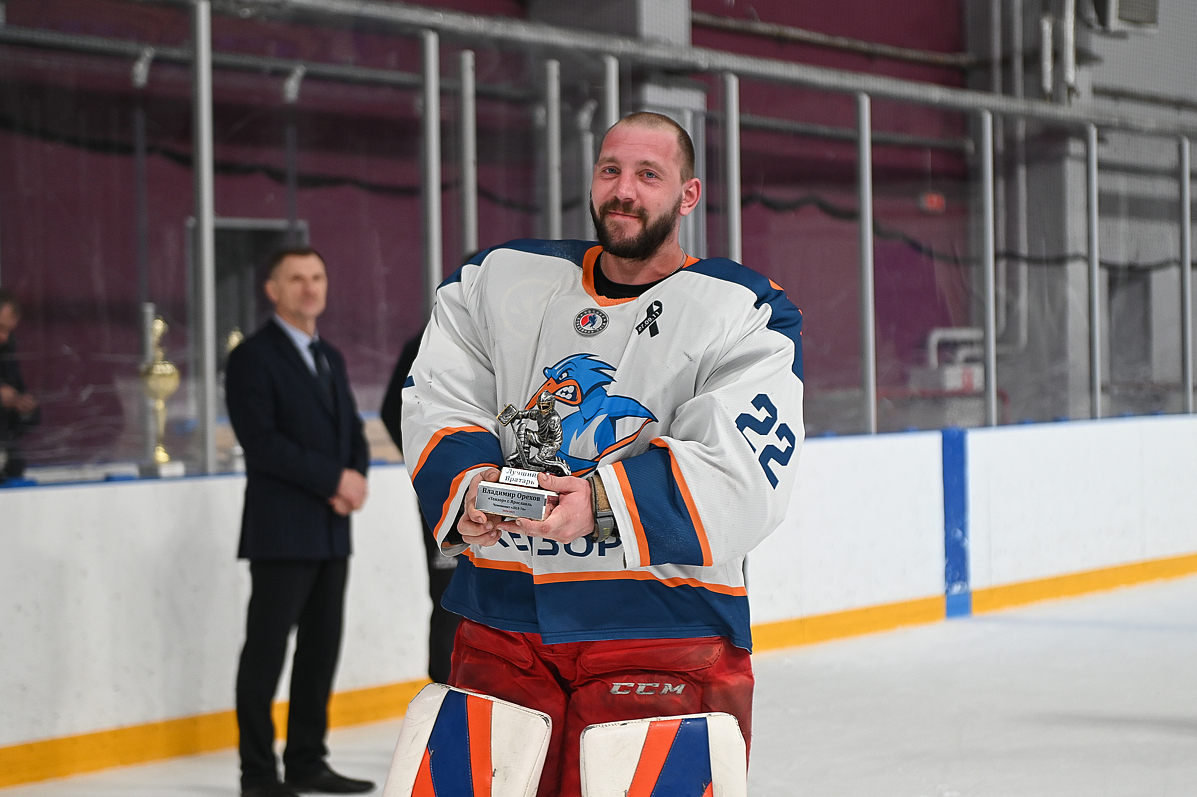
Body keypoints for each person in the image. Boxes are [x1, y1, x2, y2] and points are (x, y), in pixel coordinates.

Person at [400, 112, 805, 796]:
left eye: (649, 174)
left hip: (659, 630)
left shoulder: (743, 308)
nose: (624, 190)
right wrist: (468, 485)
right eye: (610, 170)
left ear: (688, 195)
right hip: (502, 620)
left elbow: (742, 470)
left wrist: (599, 502)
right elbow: (440, 395)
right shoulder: (499, 278)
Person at [225, 247, 374, 797]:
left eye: (317, 277)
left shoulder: (328, 354)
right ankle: (258, 774)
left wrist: (354, 477)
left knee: (319, 653)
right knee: (265, 655)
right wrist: (335, 480)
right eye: (296, 279)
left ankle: (308, 761)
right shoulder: (252, 357)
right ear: (273, 289)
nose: (310, 288)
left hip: (331, 530)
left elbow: (351, 431)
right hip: (282, 532)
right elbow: (262, 443)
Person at [379, 329, 462, 685]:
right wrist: (432, 468)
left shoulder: (515, 335)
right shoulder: (430, 340)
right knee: (449, 596)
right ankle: (444, 693)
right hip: (444, 499)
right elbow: (391, 411)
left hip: (509, 496)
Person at [0, 288, 40, 481]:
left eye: (8, 330)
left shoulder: (6, 355)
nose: (3, 337)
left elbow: (21, 424)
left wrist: (25, 409)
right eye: (0, 328)